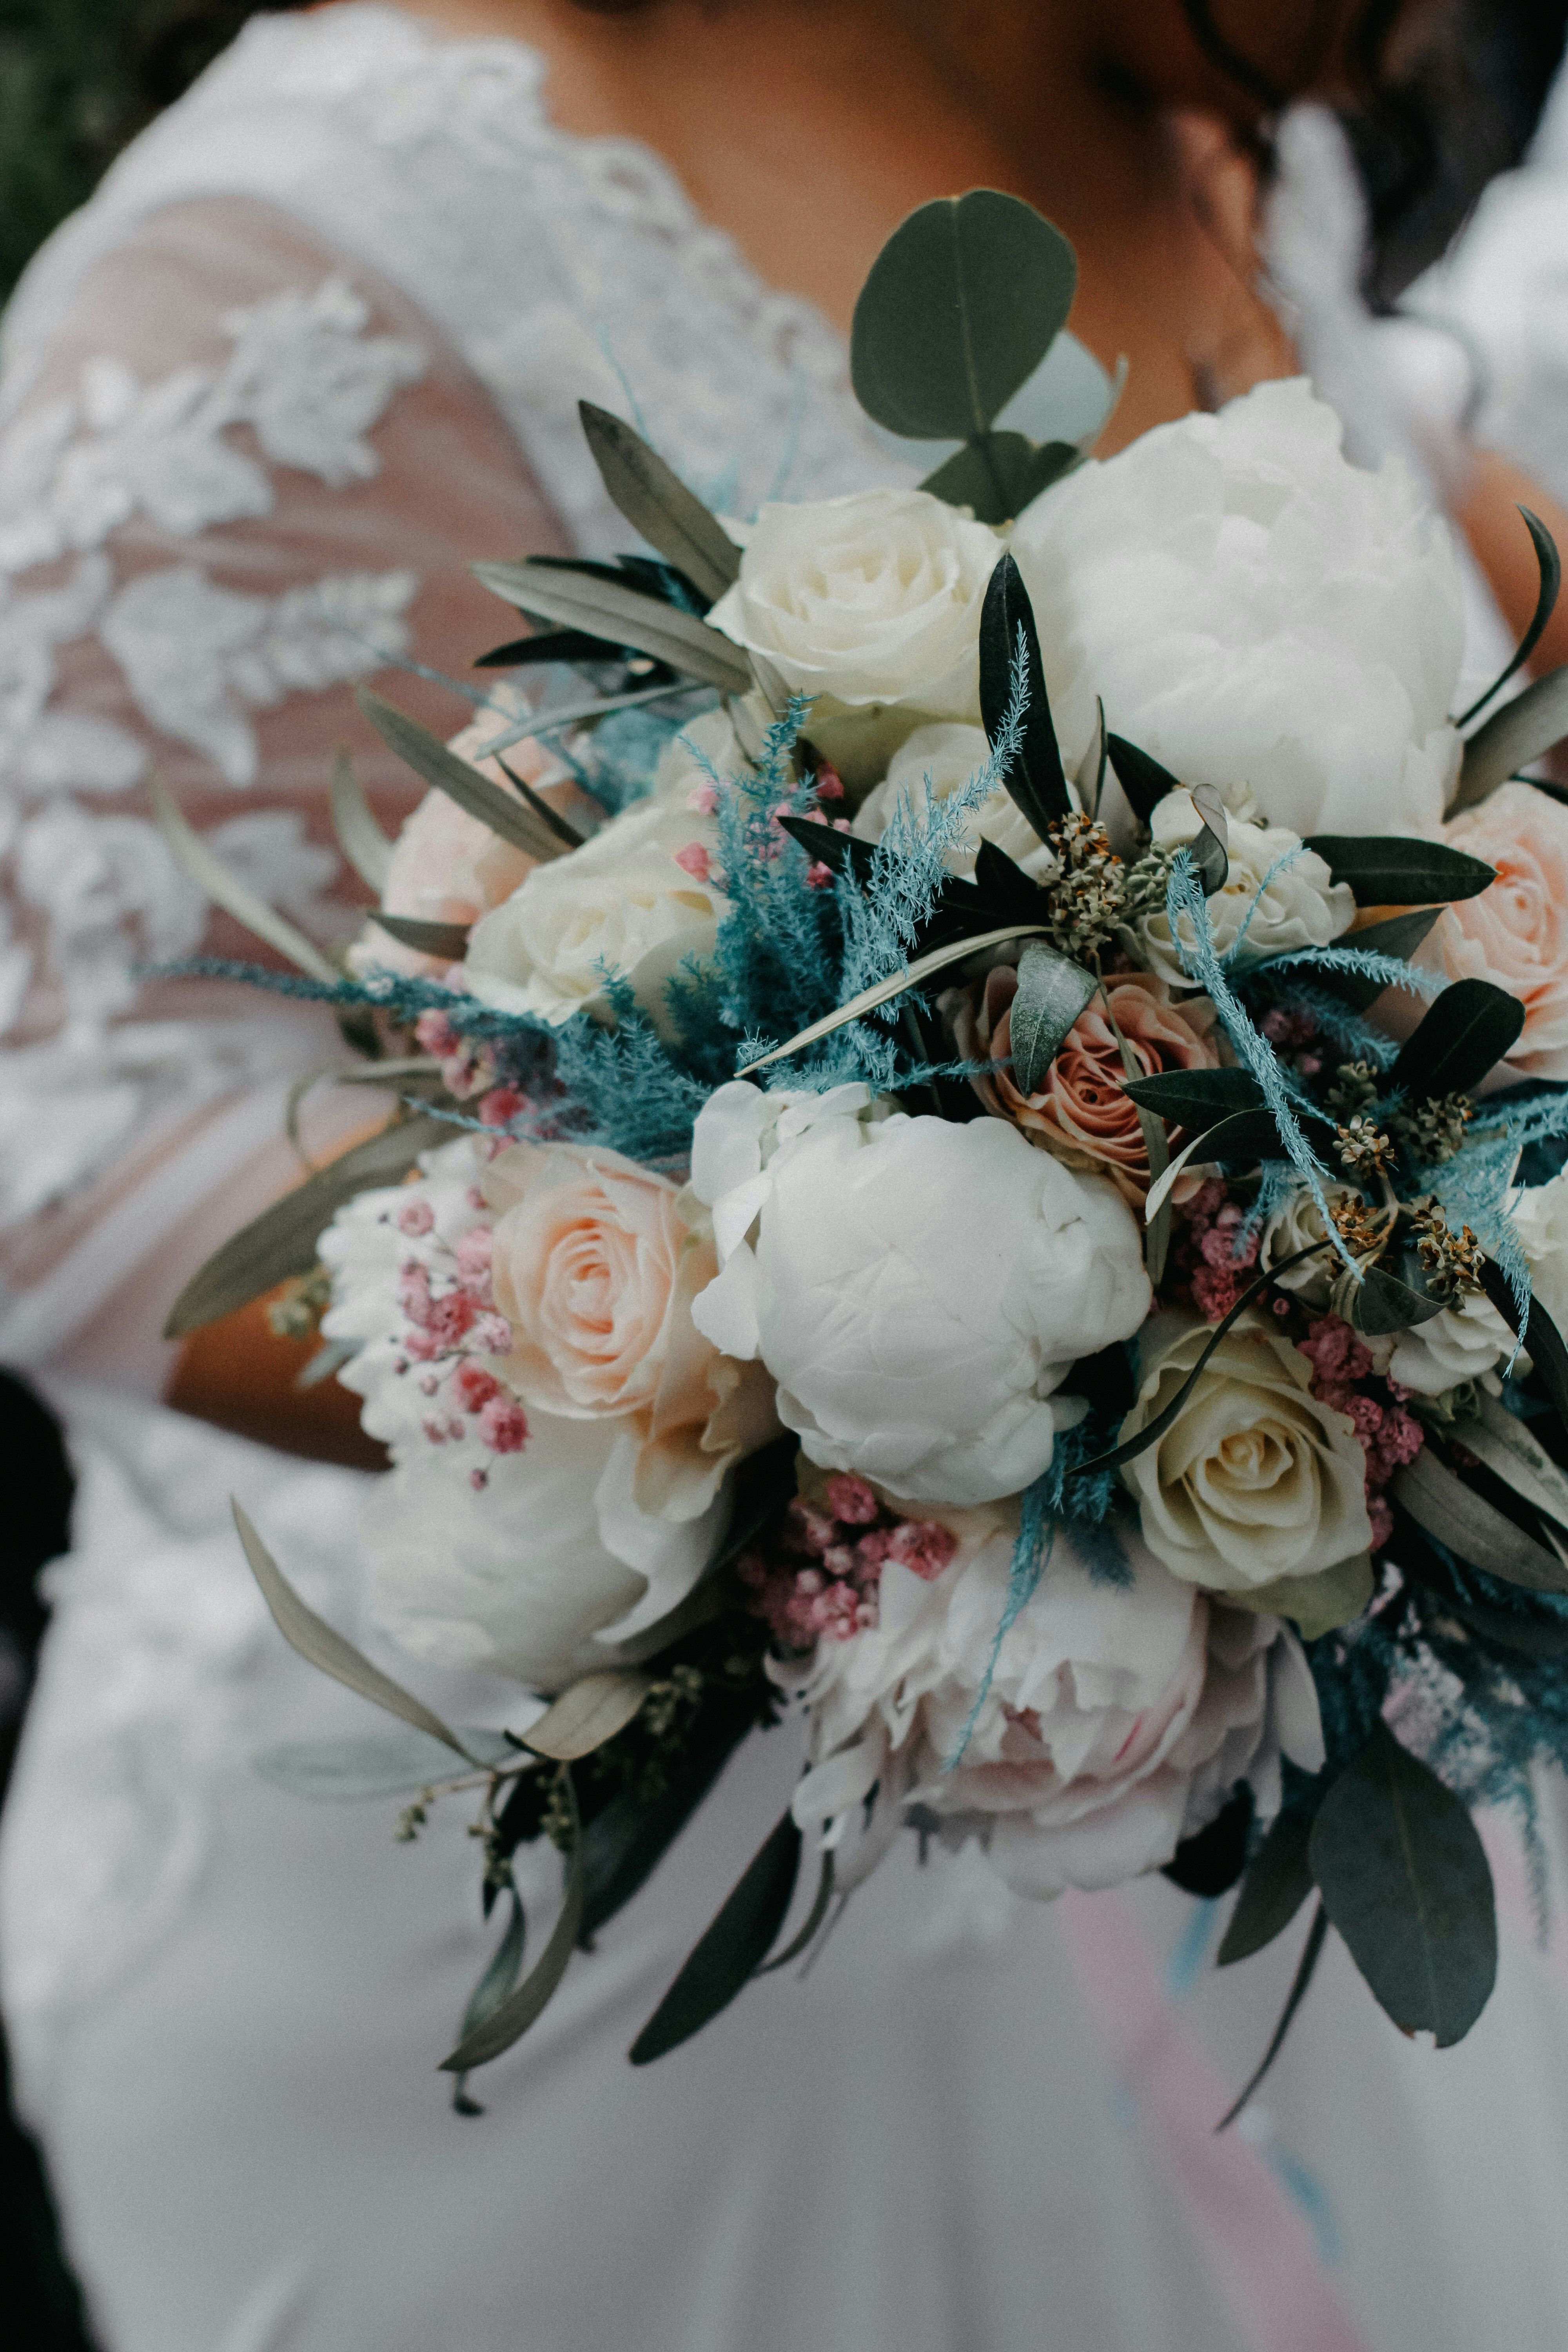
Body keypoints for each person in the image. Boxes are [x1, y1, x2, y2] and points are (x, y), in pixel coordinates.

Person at [4, 6, 1568, 2348]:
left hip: (1257, 1808)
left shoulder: (1229, 100)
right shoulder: (320, 241)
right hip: (584, 2012)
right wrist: (865, 1359)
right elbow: (67, 1144)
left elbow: (1422, 626)